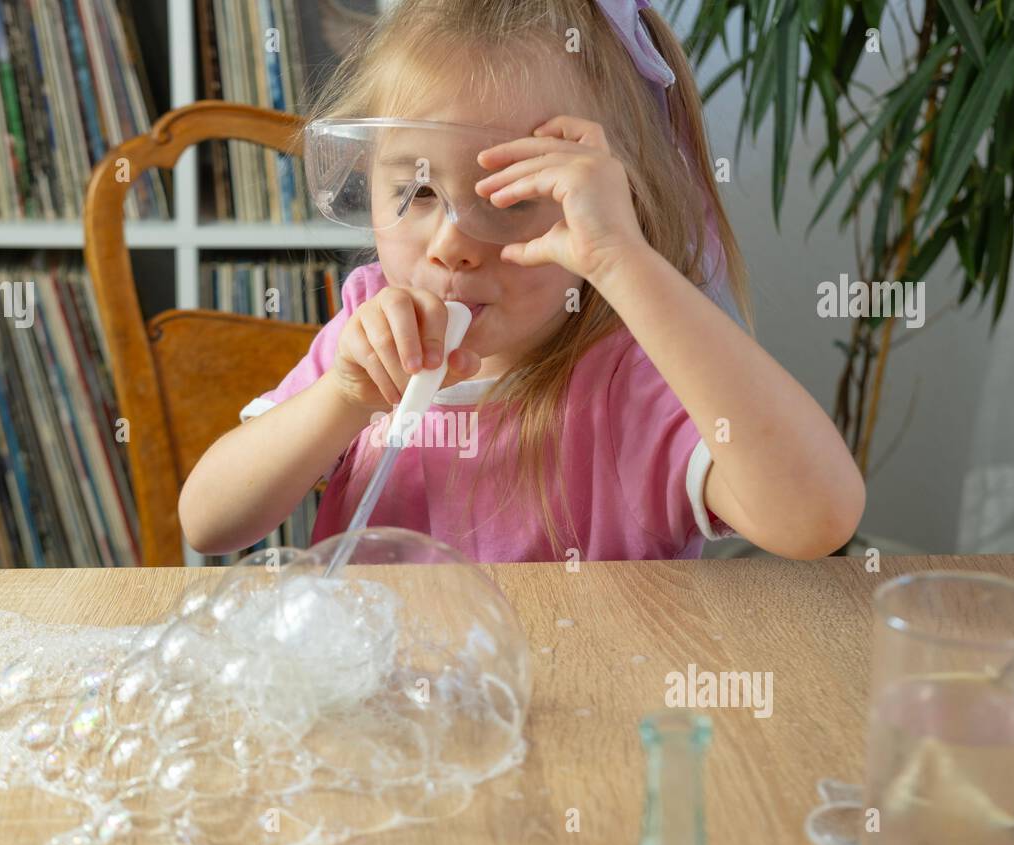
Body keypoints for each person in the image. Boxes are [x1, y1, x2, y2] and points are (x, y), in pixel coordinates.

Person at [180, 0, 865, 563]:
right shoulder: (367, 335)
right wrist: (343, 397)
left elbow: (816, 518)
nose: (451, 246)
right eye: (416, 191)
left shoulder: (634, 377)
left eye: (511, 199)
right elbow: (209, 522)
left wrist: (622, 261)